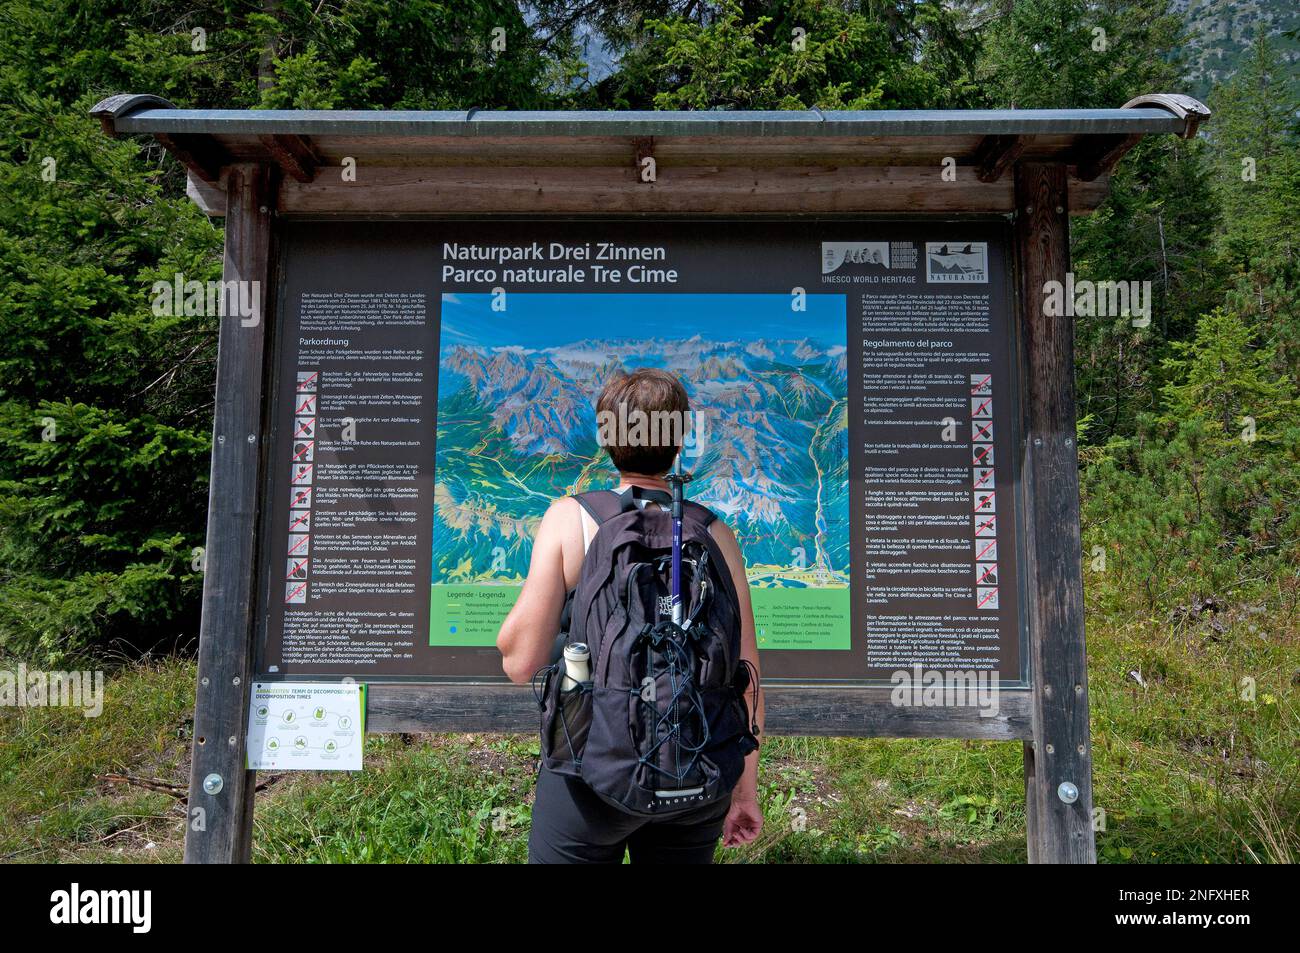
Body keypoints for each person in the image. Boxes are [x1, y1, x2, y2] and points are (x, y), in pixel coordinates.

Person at [497, 367, 765, 863]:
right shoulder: (716, 534)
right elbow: (744, 678)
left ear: (606, 438)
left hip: (589, 772)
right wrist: (744, 790)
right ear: (680, 439)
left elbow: (520, 663)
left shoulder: (570, 519)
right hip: (696, 770)